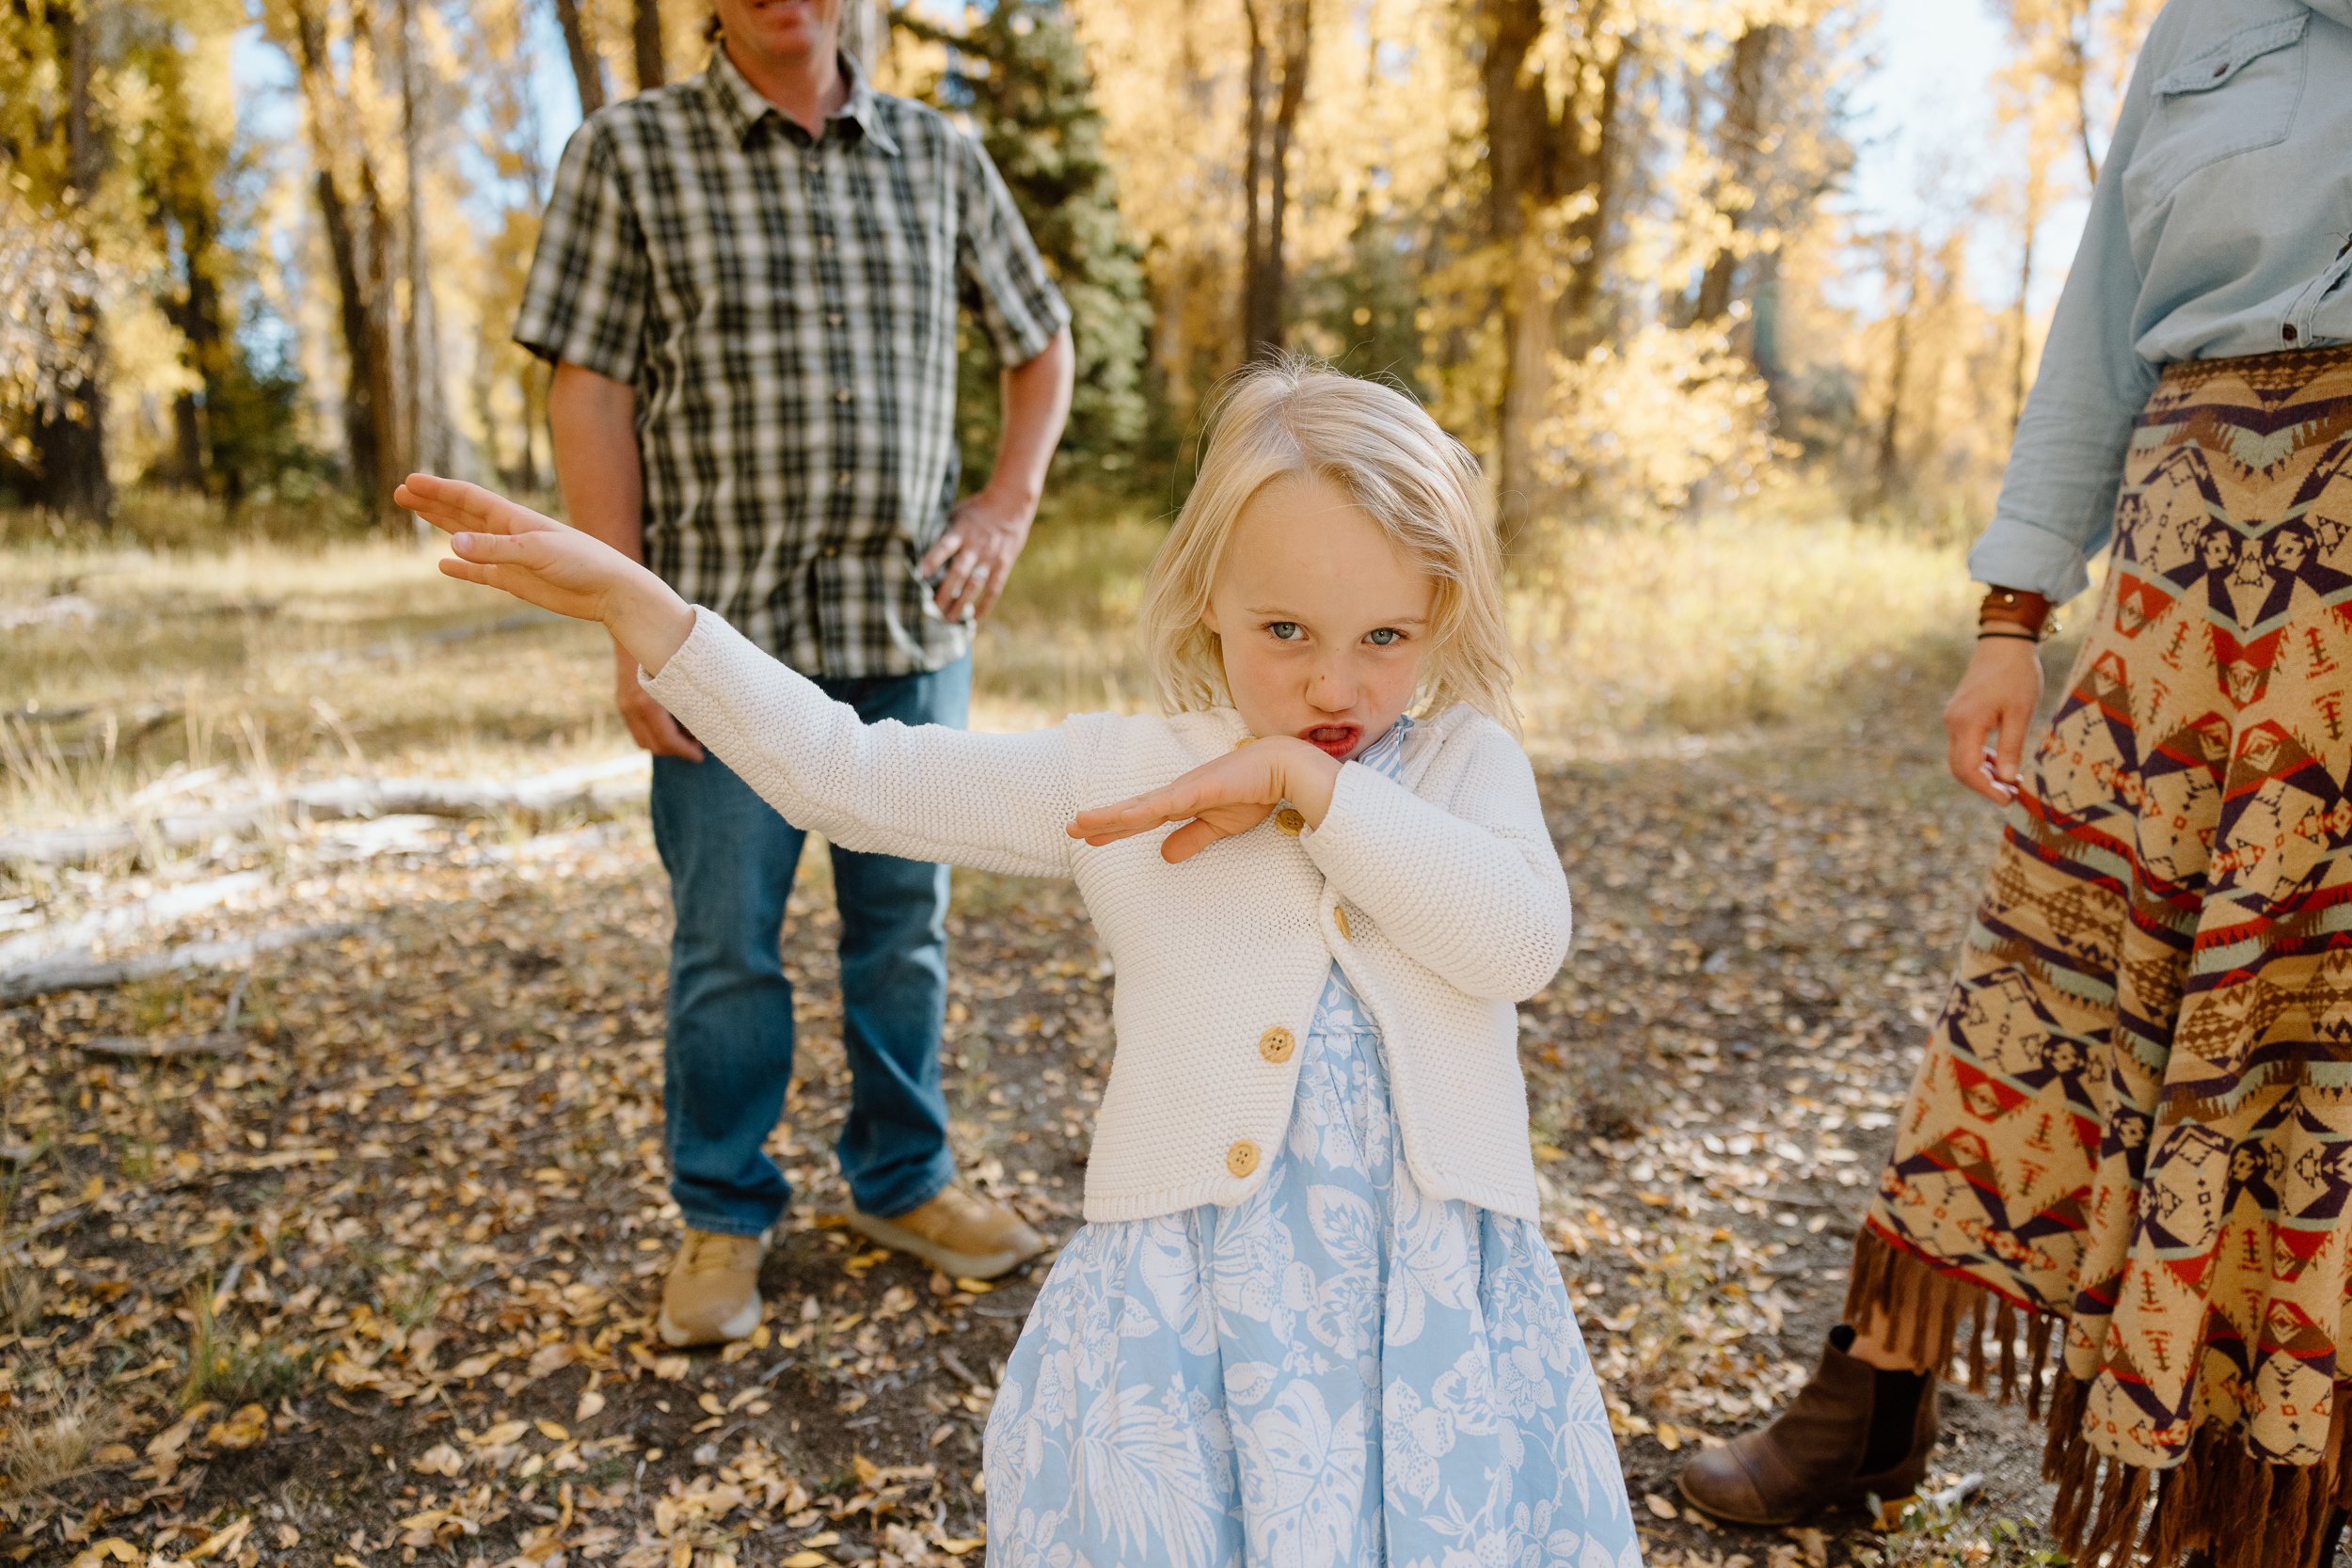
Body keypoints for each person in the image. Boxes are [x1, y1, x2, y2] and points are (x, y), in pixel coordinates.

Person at [393, 360, 1643, 1567]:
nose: (1335, 680)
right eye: (1286, 630)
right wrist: (645, 610)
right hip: (1191, 1298)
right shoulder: (1120, 771)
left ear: (1441, 616)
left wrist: (1305, 785)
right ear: (1209, 594)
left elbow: (1517, 943)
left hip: (1425, 1310)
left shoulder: (1463, 766)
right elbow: (849, 774)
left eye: (1385, 636)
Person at [1676, 5, 2352, 1566]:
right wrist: (2011, 616)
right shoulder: (2205, 26)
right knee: (2040, 983)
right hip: (2184, 585)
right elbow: (2098, 332)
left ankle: (2257, 1487)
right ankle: (1872, 1394)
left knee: (2307, 1044)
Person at [511, 0, 1077, 1346]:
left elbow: (1040, 341)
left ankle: (905, 1179)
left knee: (904, 931)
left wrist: (1005, 504)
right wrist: (627, 619)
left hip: (906, 627)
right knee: (724, 947)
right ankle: (722, 1217)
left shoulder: (940, 156)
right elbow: (586, 391)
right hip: (722, 637)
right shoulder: (626, 152)